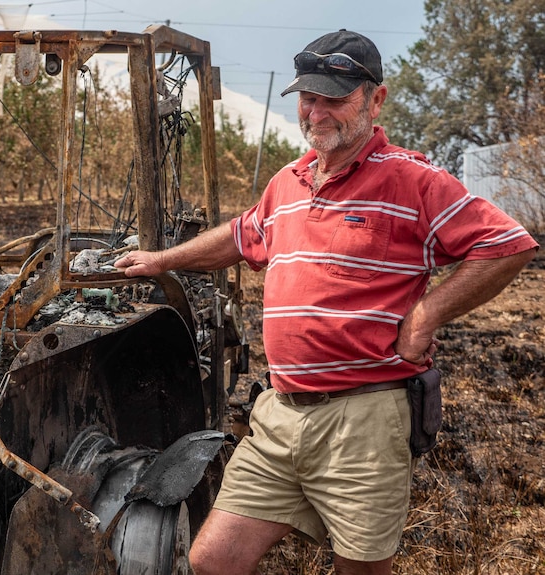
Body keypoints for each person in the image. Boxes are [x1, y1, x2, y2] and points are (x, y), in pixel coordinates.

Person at [114, 29, 538, 575]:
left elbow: (506, 245)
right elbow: (243, 235)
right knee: (213, 560)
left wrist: (428, 313)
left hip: (364, 419)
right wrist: (162, 260)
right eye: (307, 98)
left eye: (333, 99)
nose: (315, 112)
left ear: (375, 99)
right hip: (280, 416)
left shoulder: (413, 180)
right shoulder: (287, 183)